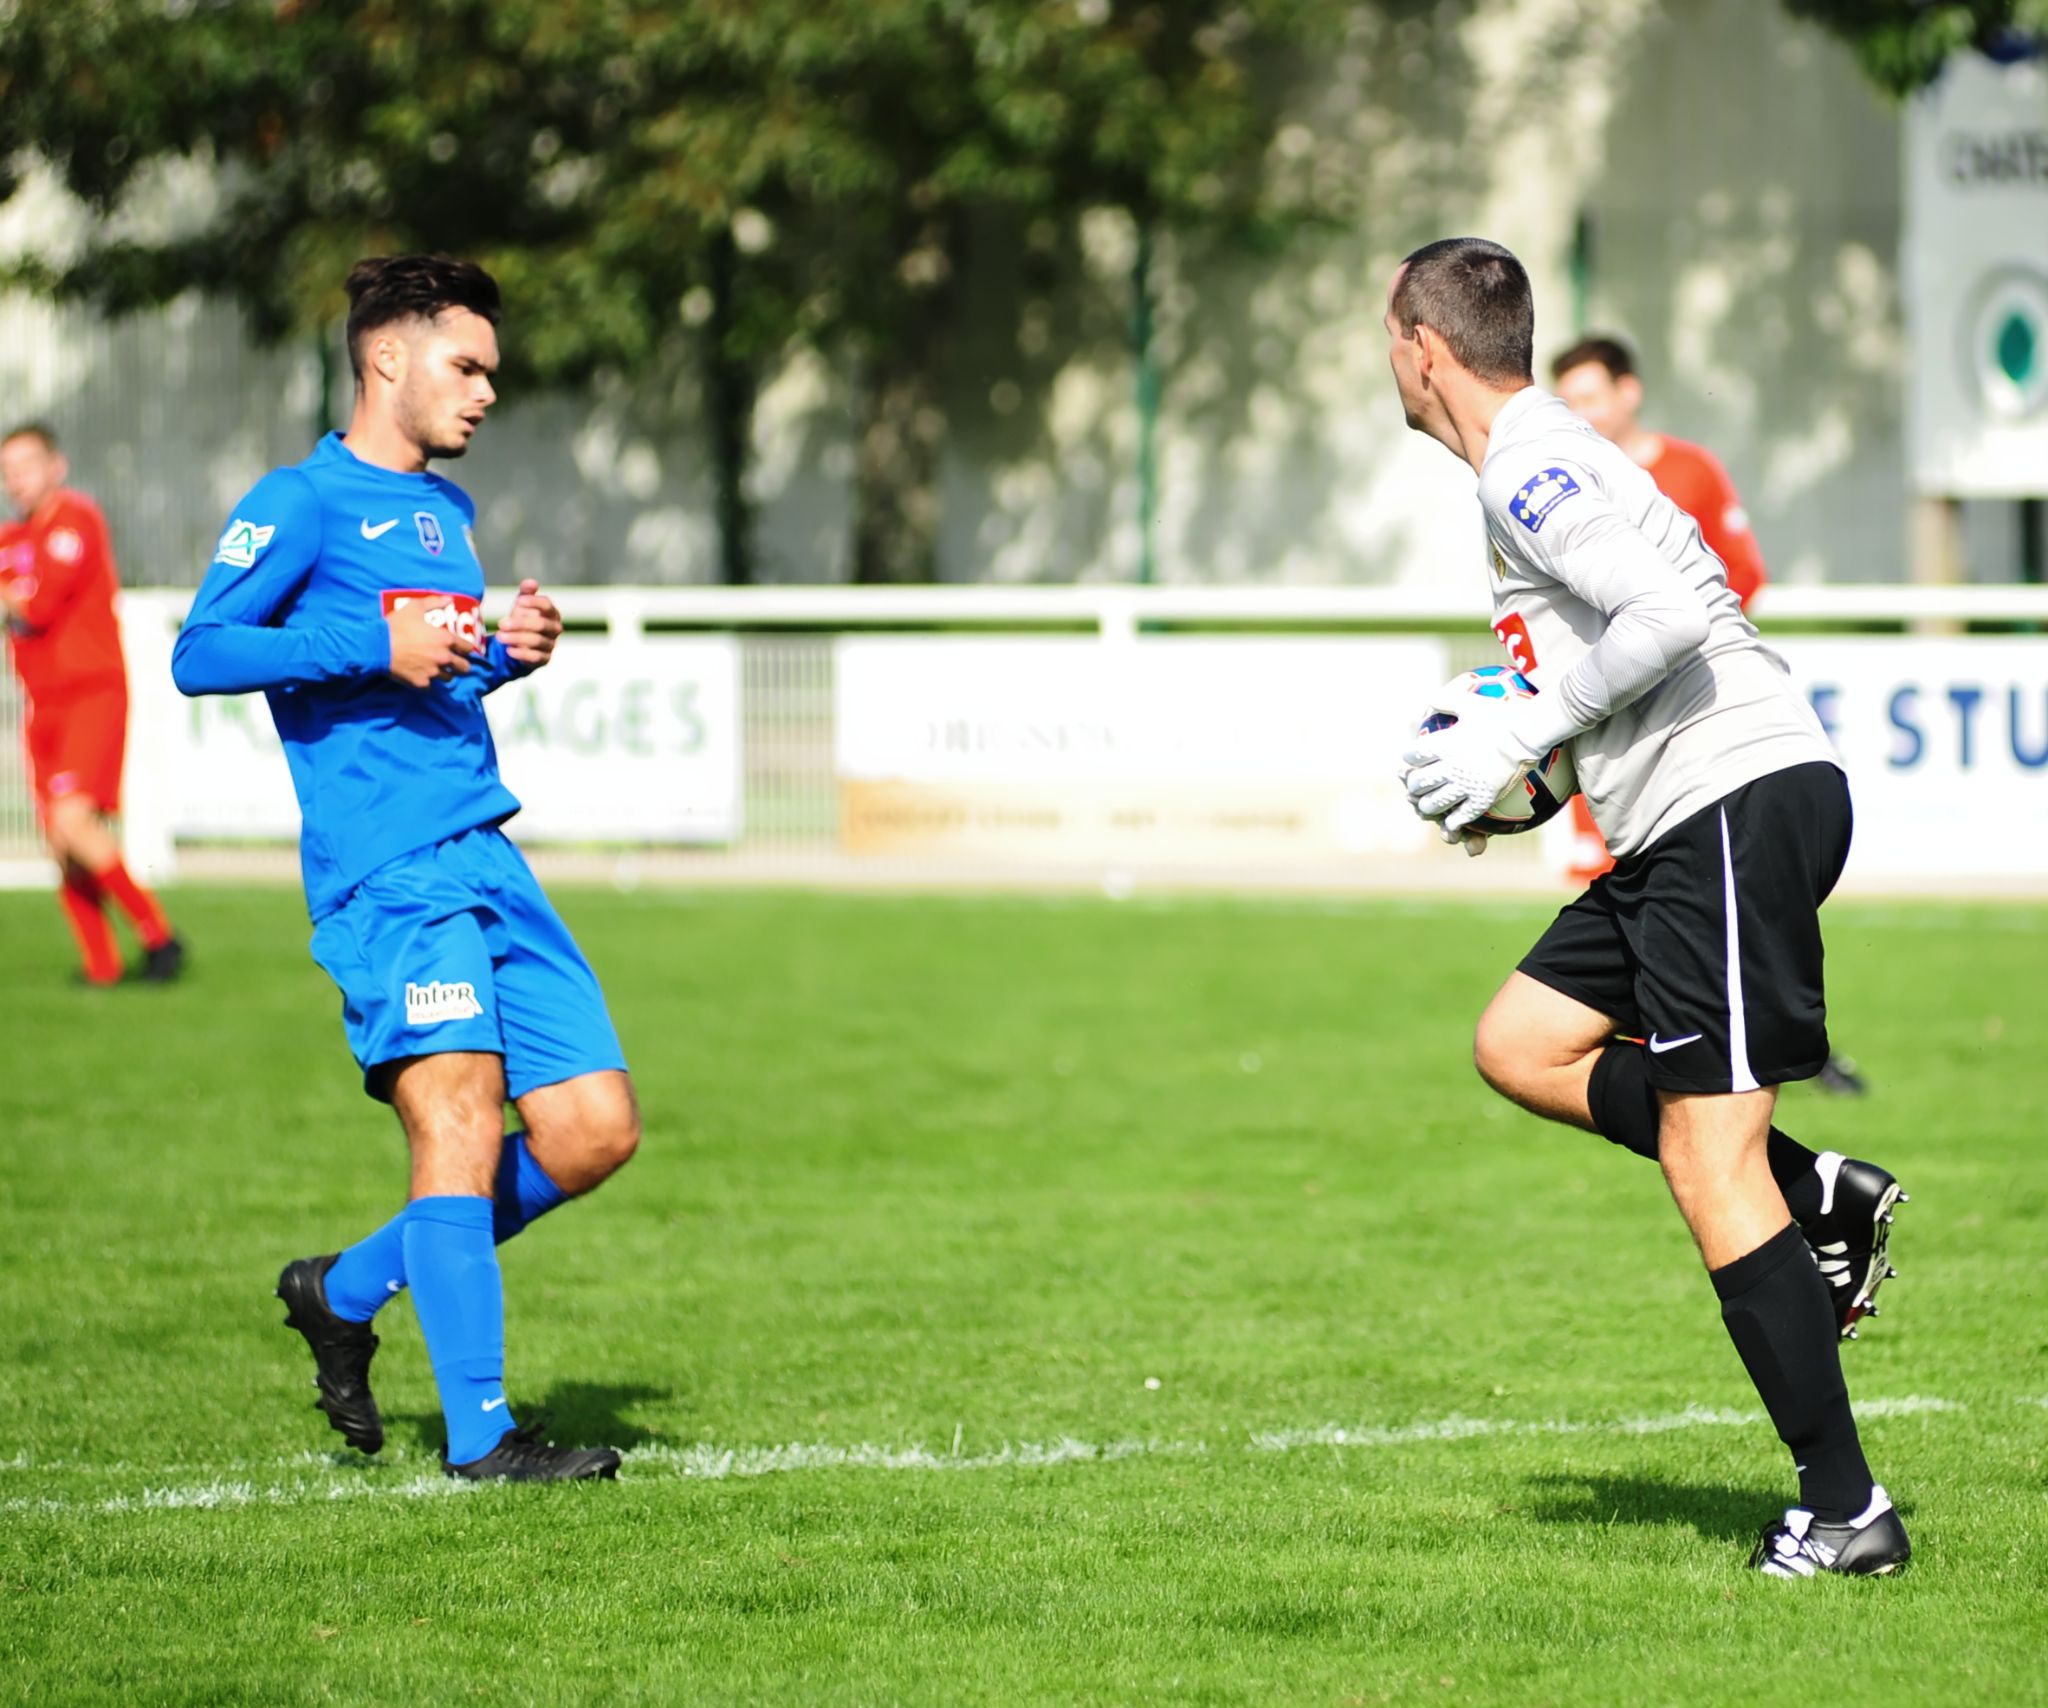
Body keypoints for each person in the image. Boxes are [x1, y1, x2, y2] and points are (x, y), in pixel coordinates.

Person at [1385, 238, 1909, 1577]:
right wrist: (1526, 766)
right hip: (1689, 819)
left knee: (1705, 1159)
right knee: (1520, 1042)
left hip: (1725, 805)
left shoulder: (1528, 463)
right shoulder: (1531, 461)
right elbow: (1616, 653)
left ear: (1422, 350)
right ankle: (1816, 1192)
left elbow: (1667, 613)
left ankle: (1845, 1511)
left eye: (1387, 340)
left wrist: (1525, 732)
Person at [172, 255, 639, 1483]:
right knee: (461, 1119)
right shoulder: (300, 500)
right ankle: (483, 1440)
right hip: (387, 871)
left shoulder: (446, 513)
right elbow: (200, 651)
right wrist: (367, 638)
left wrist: (502, 655)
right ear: (388, 357)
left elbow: (427, 676)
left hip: (486, 852)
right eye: (467, 366)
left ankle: (344, 1289)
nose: (487, 391)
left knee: (592, 1129)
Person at [1550, 336, 1868, 1098]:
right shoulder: (1565, 490)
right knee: (1622, 895)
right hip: (1616, 733)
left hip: (1699, 729)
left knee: (1736, 904)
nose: (1578, 414)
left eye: (1589, 396)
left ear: (1628, 392)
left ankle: (1775, 1044)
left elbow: (1741, 573)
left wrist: (1671, 651)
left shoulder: (1687, 473)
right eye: (1566, 401)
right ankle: (1683, 1043)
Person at [1, 425, 182, 985]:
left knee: (72, 820)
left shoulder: (74, 521)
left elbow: (38, 604)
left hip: (90, 691)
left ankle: (159, 938)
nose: (16, 479)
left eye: (26, 465)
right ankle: (100, 967)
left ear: (56, 466)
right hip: (41, 701)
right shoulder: (11, 538)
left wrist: (12, 597)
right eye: (8, 470)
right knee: (59, 841)